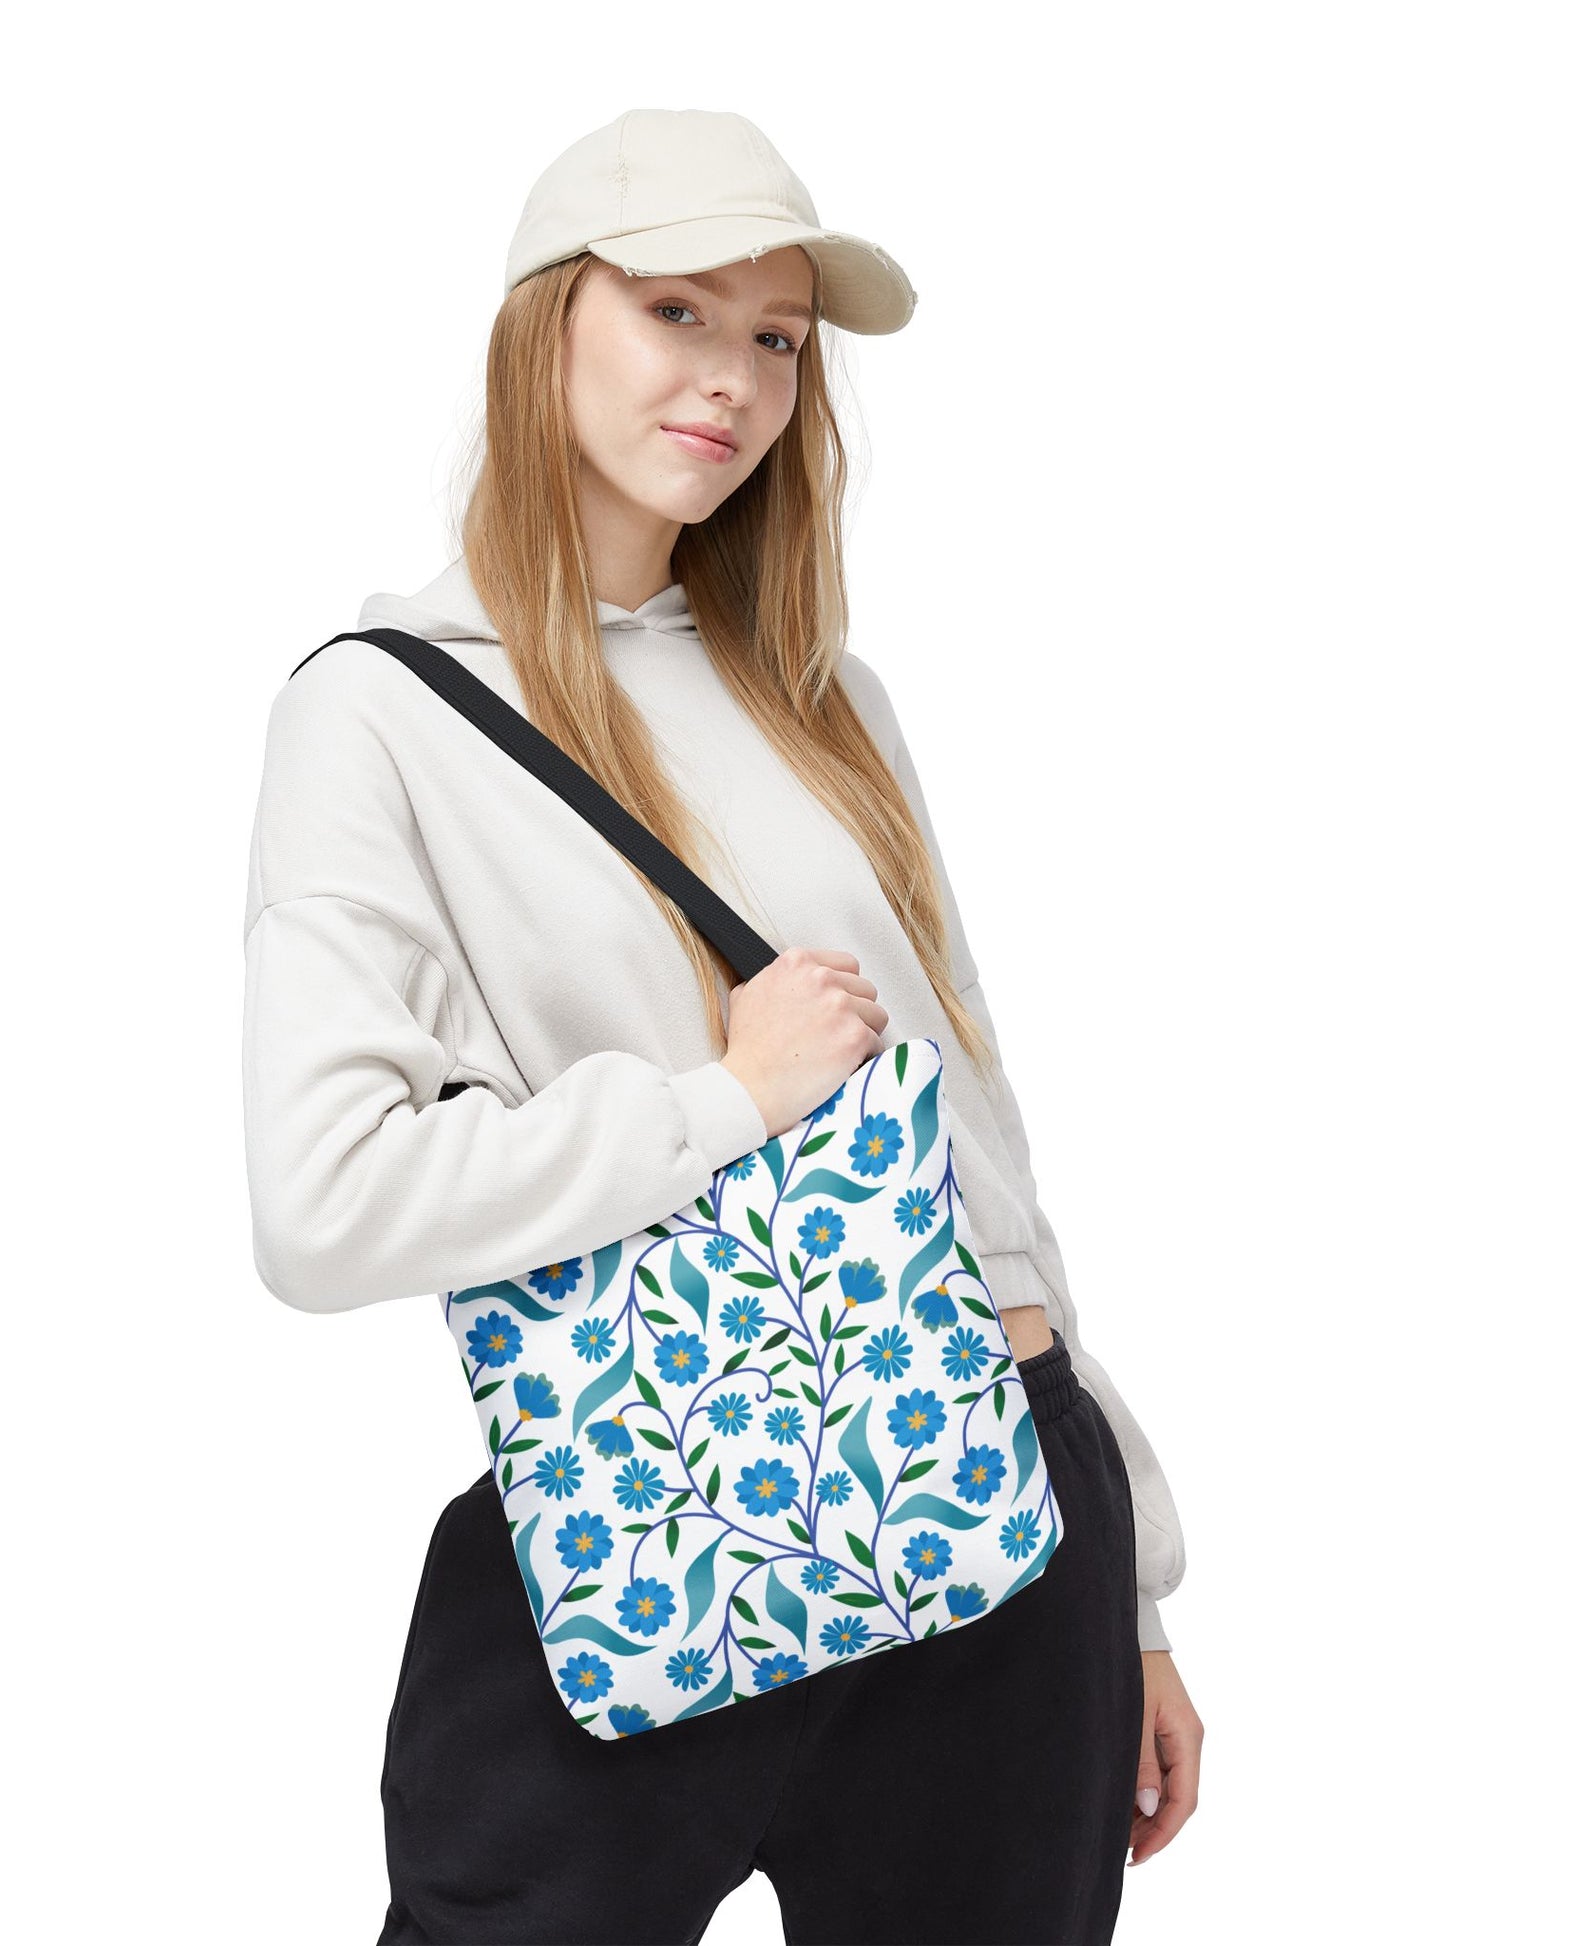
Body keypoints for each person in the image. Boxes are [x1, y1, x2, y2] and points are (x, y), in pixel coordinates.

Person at [242, 107, 1202, 1946]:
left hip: (999, 1502)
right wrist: (725, 1100)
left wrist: (1136, 1582)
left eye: (774, 338)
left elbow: (973, 1147)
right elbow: (322, 1202)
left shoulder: (824, 695)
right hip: (640, 1517)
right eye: (678, 308)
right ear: (548, 324)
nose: (735, 380)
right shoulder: (385, 716)